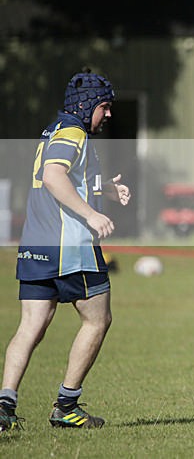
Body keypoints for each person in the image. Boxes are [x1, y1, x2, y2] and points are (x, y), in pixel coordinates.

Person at [0, 70, 131, 431]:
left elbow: (68, 179)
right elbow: (54, 175)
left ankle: (4, 407)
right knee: (97, 320)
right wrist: (92, 213)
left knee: (31, 326)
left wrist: (104, 191)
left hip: (35, 245)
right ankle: (66, 406)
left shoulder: (54, 130)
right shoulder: (74, 133)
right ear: (88, 105)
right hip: (69, 247)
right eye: (105, 107)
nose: (108, 115)